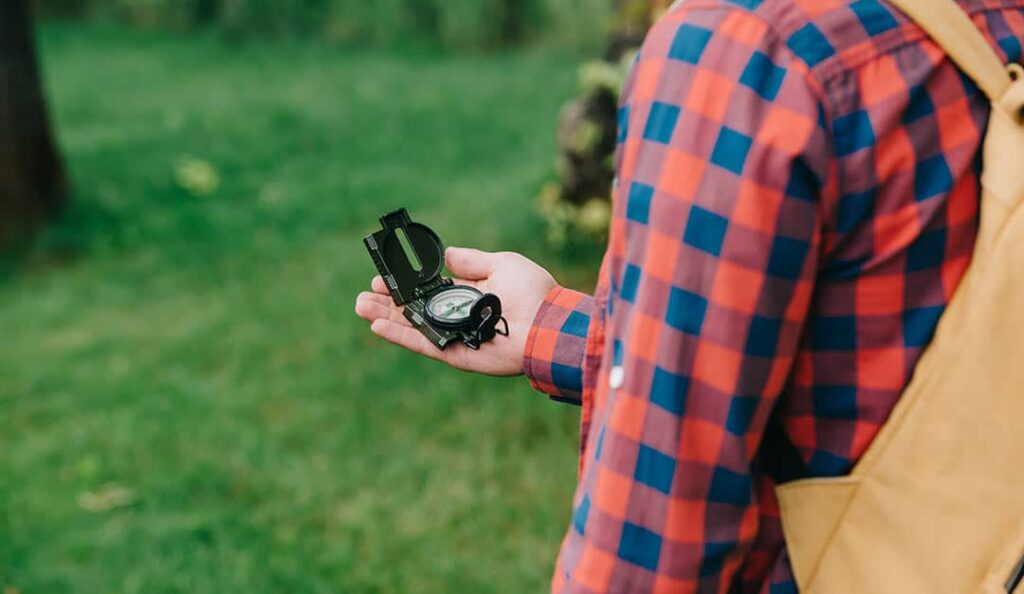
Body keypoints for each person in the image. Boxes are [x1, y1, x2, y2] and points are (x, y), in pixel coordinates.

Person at [356, 0, 1024, 591]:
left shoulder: (741, 45)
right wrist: (546, 327)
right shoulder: (981, 21)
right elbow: (879, 339)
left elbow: (656, 529)